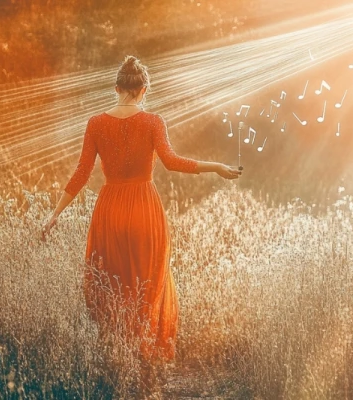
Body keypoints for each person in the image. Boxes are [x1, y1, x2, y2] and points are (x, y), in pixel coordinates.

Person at [41, 55, 241, 393]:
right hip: (144, 211)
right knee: (146, 284)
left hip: (109, 210)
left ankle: (115, 362)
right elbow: (173, 162)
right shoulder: (153, 122)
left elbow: (81, 173)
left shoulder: (95, 123)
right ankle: (143, 367)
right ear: (143, 89)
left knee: (112, 284)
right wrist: (217, 166)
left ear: (117, 88)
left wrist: (54, 213)